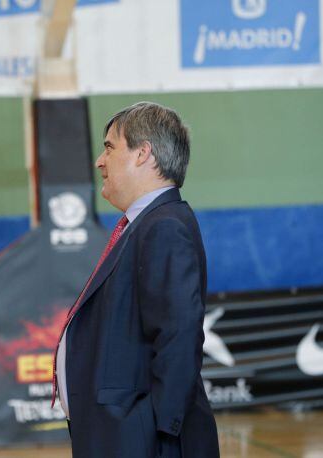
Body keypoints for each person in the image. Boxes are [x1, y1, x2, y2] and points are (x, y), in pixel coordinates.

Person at [54, 102, 220, 457]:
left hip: (144, 442)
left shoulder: (164, 227)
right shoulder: (147, 225)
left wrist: (157, 431)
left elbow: (179, 336)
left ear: (143, 154)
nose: (100, 160)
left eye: (110, 147)